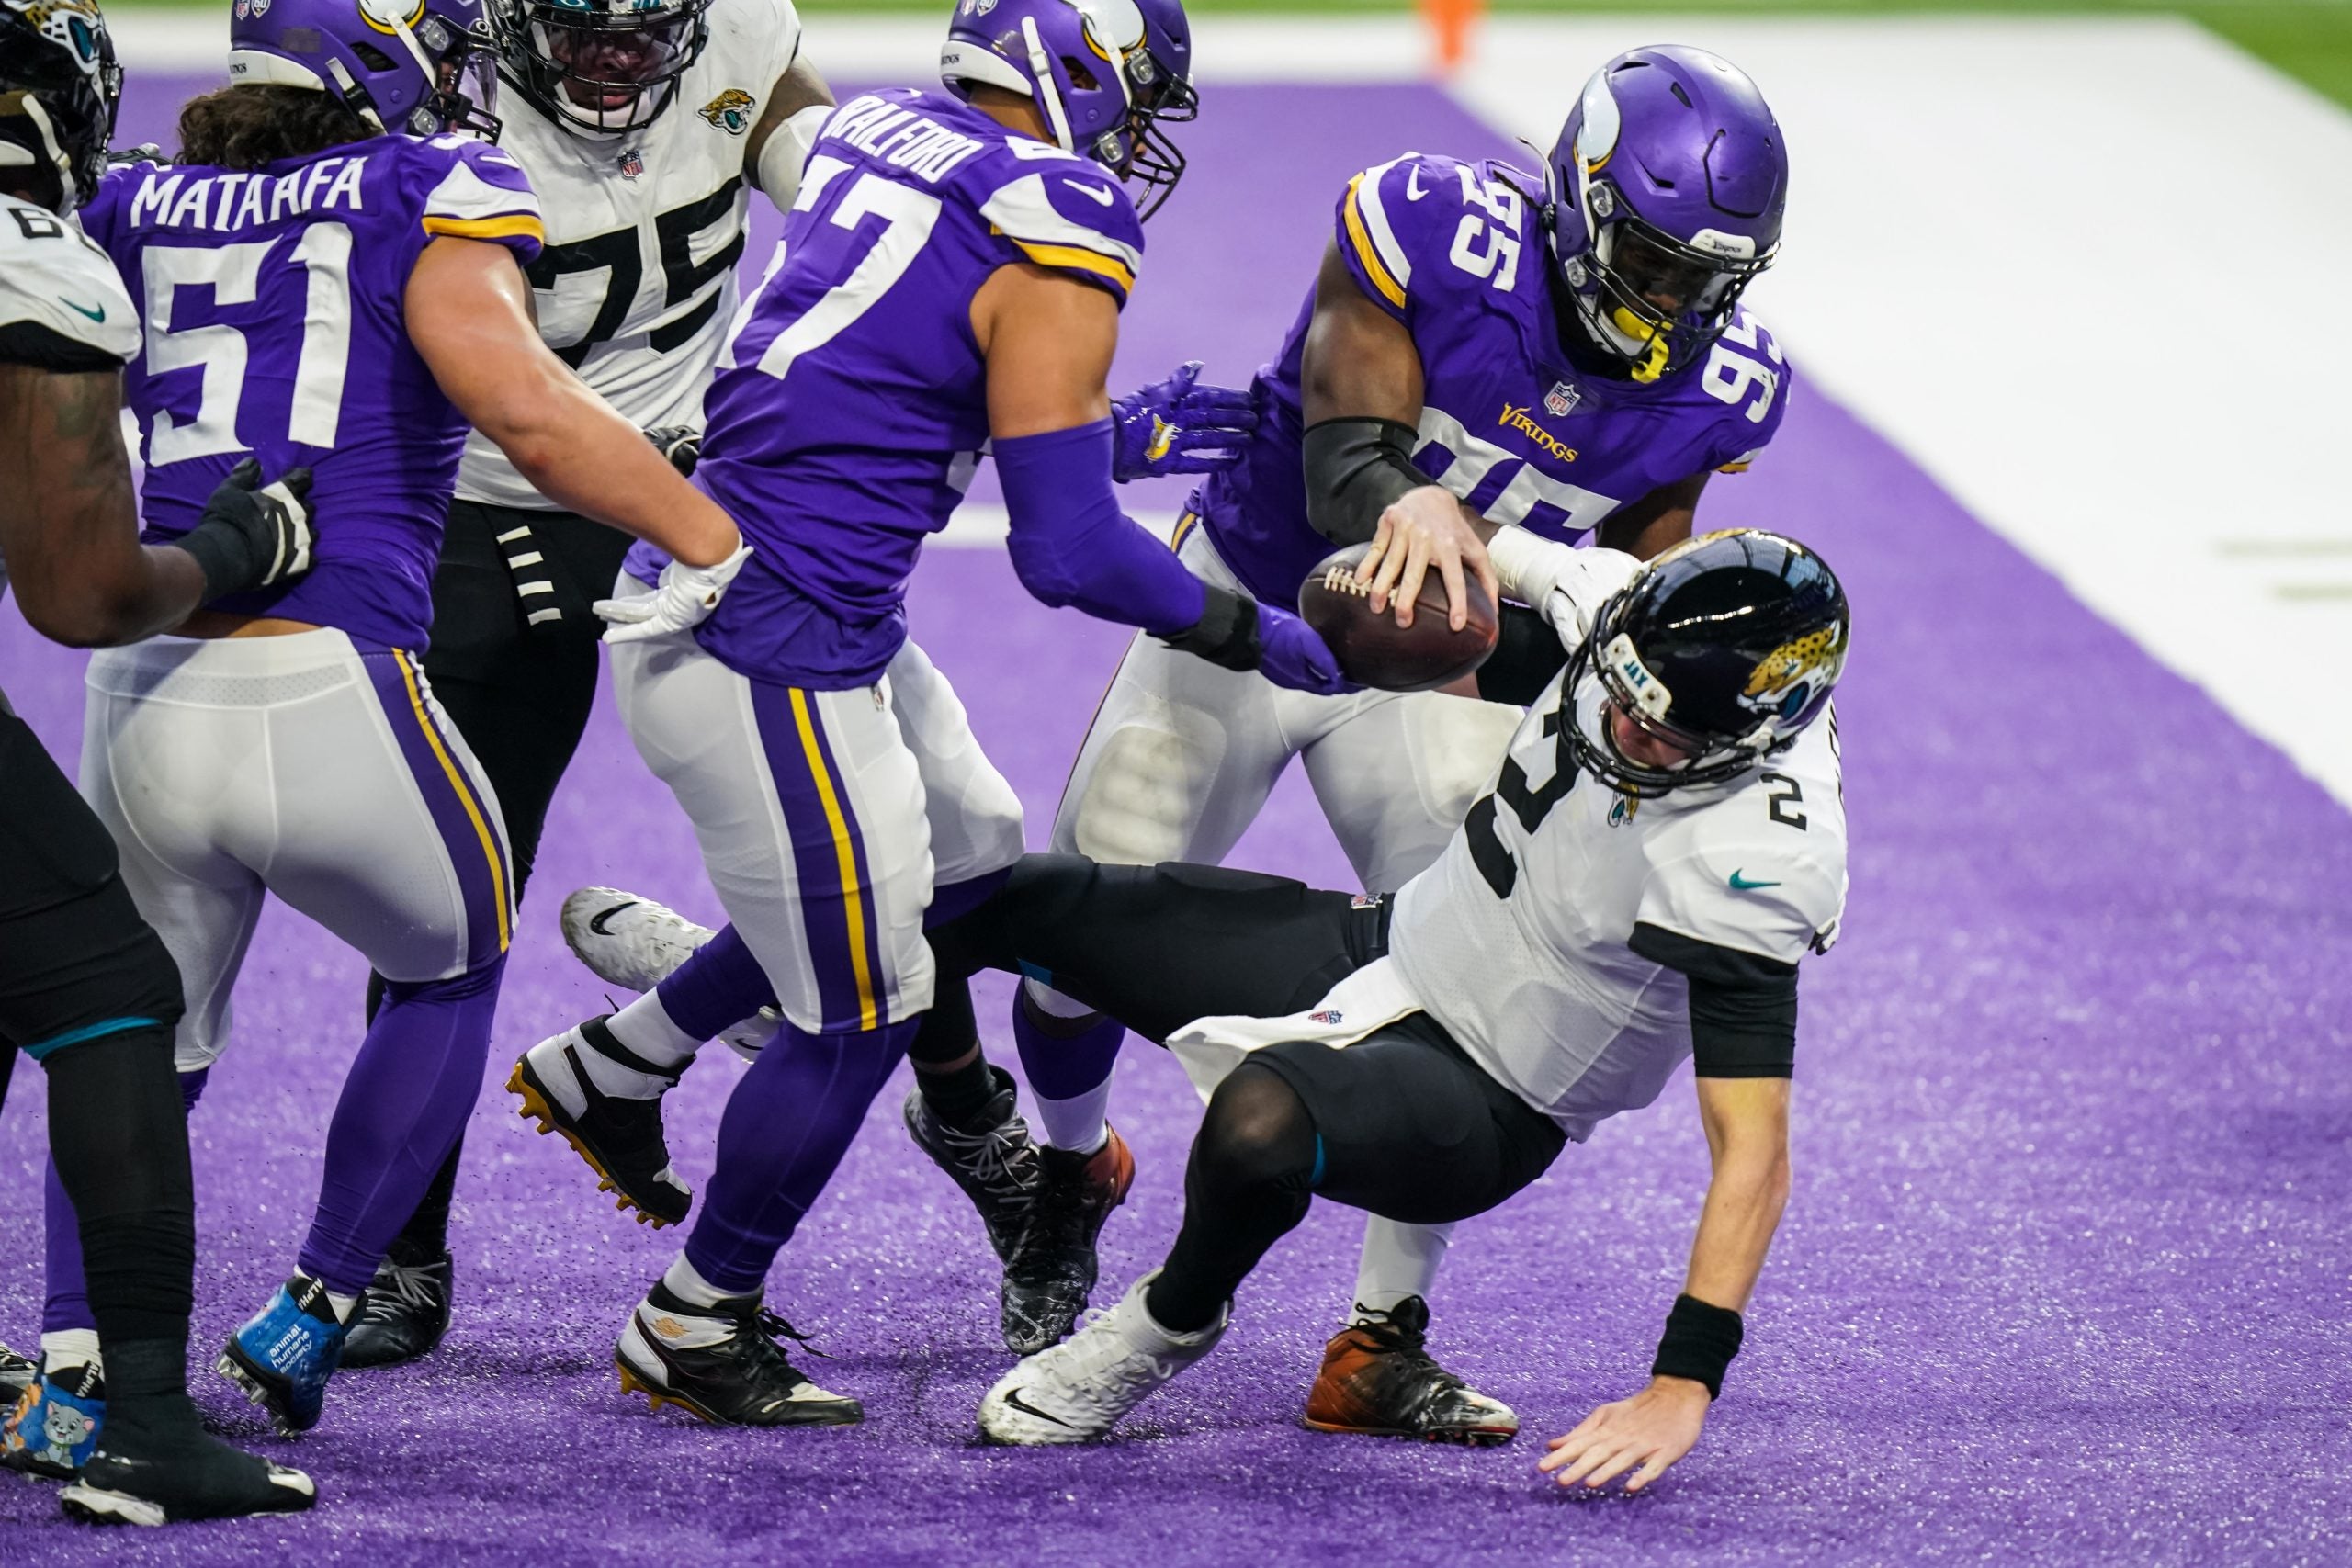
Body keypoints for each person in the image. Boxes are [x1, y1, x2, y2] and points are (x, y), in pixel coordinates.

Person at [559, 43, 1804, 1434]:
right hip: (1259, 598)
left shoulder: (1727, 379)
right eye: (1651, 259)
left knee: (1468, 992)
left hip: (1440, 677)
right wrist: (1457, 535)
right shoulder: (1435, 227)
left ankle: (1380, 1337)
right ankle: (1072, 1171)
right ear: (1577, 200)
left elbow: (1643, 581)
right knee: (1081, 902)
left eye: (1703, 278)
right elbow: (1347, 474)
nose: (1669, 301)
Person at [507, 0, 1348, 1428]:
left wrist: (1102, 432)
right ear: (1078, 76)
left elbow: (891, 379)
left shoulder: (881, 129)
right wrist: (1244, 628)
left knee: (969, 861)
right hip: (769, 650)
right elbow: (1064, 553)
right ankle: (693, 1317)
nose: (1136, 139)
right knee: (864, 1009)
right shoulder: (1060, 212)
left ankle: (622, 1055)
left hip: (764, 593)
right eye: (1135, 99)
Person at [28, 0, 750, 1448]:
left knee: (132, 1041)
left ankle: (74, 1364)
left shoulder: (123, 203)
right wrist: (712, 536)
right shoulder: (426, 184)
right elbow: (527, 412)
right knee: (453, 966)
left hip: (143, 683)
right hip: (332, 677)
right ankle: (317, 1298)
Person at [939, 526, 1846, 1492]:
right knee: (981, 900)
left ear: (1751, 738)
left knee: (1259, 1118)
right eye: (1618, 695)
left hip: (1489, 1093)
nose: (1620, 729)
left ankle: (1166, 1325)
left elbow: (1754, 1154)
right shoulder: (1630, 628)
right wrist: (1446, 529)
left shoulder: (1754, 859)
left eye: (1659, 735)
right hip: (1388, 946)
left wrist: (1682, 1382)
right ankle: (960, 1113)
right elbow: (1477, 547)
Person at [337, 0, 830, 1371]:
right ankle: (395, 1249)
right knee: (448, 901)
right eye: (578, 25)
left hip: (702, 480)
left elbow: (852, 209)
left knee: (889, 822)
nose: (614, 56)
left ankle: (986, 1133)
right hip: (496, 505)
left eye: (643, 27)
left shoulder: (745, 39)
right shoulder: (430, 86)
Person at [0, 0, 319, 1523]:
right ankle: (139, 1417)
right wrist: (235, 546)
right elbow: (81, 597)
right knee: (111, 989)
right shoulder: (34, 262)